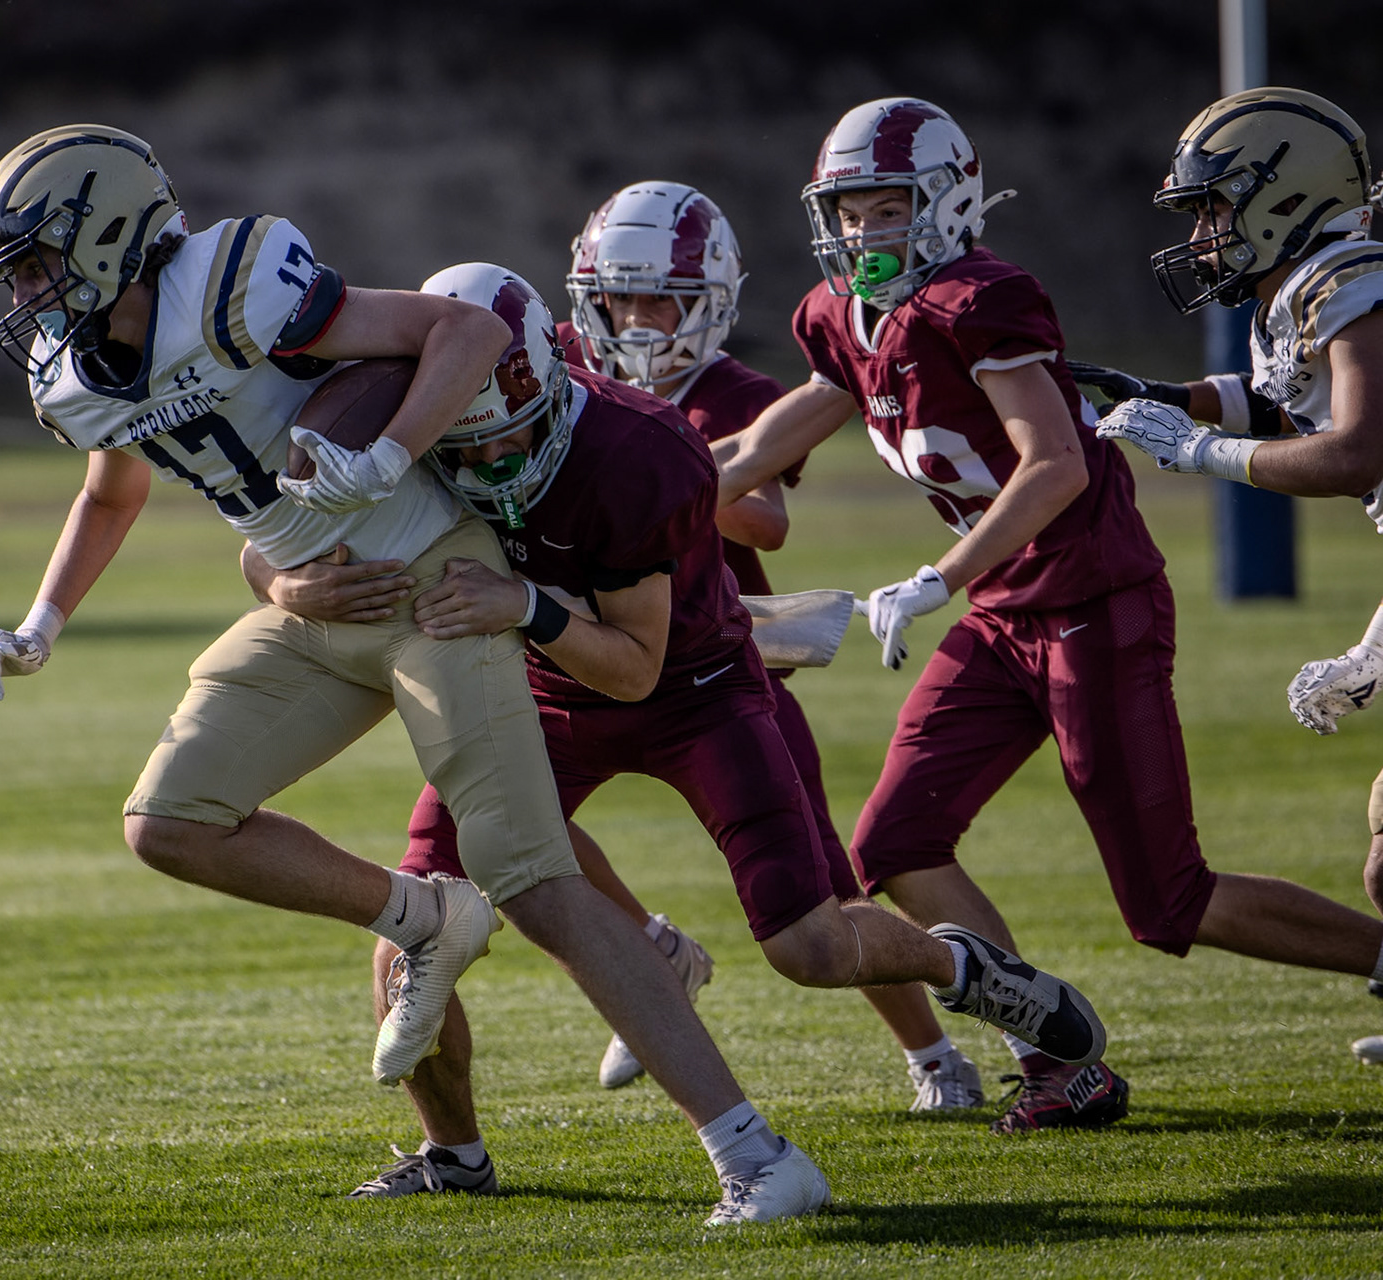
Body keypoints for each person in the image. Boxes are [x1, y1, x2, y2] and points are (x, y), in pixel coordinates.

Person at [0, 124, 833, 1226]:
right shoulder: (71, 376)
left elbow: (464, 330)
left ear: (110, 234)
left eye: (39, 262)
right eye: (17, 271)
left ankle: (758, 1155)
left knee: (536, 879)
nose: (28, 293)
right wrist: (42, 622)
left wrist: (385, 456)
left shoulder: (233, 281)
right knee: (168, 821)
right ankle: (424, 921)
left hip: (431, 585)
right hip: (317, 605)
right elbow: (112, 487)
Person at [246, 260, 1106, 1204]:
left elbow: (633, 668)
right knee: (413, 926)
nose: (491, 466)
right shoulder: (399, 426)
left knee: (810, 947)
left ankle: (962, 964)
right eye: (464, 450)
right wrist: (290, 584)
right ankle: (454, 1157)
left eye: (505, 438)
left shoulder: (637, 448)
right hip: (535, 693)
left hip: (691, 689)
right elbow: (266, 541)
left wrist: (523, 602)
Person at [713, 95, 1383, 1133]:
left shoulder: (979, 299)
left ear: (947, 201)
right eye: (847, 211)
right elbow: (777, 430)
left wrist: (937, 577)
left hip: (1091, 601)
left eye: (887, 207)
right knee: (897, 842)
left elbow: (1057, 464)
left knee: (1166, 901)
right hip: (1003, 611)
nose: (862, 231)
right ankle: (1055, 1059)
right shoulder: (839, 315)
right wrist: (656, 496)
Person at [561, 179, 986, 1109]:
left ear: (709, 300)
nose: (638, 319)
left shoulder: (731, 393)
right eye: (621, 298)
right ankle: (653, 951)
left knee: (822, 886)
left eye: (662, 299)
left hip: (720, 671)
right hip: (586, 657)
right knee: (510, 821)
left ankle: (934, 1056)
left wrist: (647, 466)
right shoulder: (565, 364)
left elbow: (766, 523)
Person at [1084, 87, 1383, 1067]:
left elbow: (1356, 449)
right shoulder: (1302, 287)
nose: (1202, 234)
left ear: (1284, 196)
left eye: (1214, 207)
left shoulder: (1349, 277)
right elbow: (1279, 403)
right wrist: (1160, 396)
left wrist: (1199, 451)